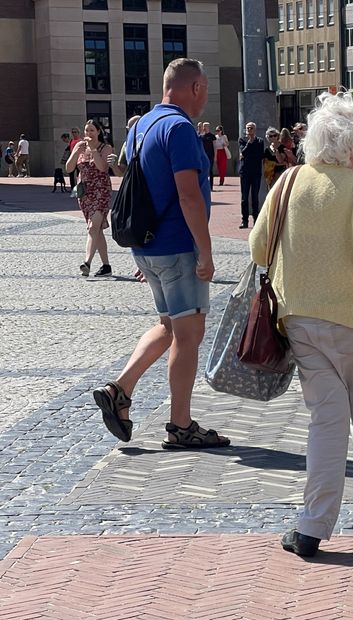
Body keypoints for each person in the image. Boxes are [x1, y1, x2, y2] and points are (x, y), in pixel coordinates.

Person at [248, 92, 353, 558]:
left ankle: (311, 526)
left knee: (327, 420)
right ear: (351, 145)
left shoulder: (288, 182)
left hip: (300, 318)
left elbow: (259, 249)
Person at [89, 58, 229, 450]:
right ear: (196, 87)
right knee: (189, 333)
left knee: (170, 326)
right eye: (205, 88)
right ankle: (180, 425)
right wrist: (206, 250)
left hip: (145, 245)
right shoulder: (180, 128)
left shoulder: (143, 126)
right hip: (176, 245)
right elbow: (188, 195)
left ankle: (121, 389)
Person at [65, 120, 115, 277]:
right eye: (86, 131)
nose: (88, 134)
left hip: (101, 191)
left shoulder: (105, 148)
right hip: (85, 193)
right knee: (97, 229)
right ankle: (106, 266)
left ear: (99, 131)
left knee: (93, 227)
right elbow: (69, 168)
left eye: (92, 130)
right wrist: (75, 152)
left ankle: (87, 262)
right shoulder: (81, 147)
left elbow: (103, 168)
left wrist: (93, 150)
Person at [239, 122, 265, 228]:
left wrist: (248, 152)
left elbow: (259, 155)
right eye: (248, 128)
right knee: (244, 197)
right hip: (245, 172)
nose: (249, 130)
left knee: (255, 197)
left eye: (252, 128)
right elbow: (243, 152)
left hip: (256, 172)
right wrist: (249, 143)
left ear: (255, 129)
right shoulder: (242, 140)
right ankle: (244, 220)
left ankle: (256, 219)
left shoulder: (260, 141)